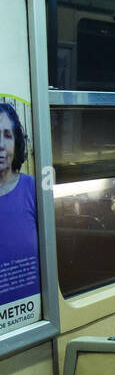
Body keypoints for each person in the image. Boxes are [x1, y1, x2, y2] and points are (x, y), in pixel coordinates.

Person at [0, 101, 40, 309]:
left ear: (16, 143)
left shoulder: (32, 187)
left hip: (33, 313)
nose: (0, 144)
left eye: (7, 135)